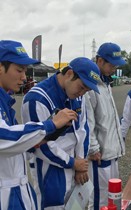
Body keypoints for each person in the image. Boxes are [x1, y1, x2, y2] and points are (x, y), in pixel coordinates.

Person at [0, 40, 76, 210]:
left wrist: (37, 140)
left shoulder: (6, 102)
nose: (23, 77)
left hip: (17, 190)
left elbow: (15, 147)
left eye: (25, 71)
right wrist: (50, 125)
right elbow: (3, 136)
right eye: (19, 70)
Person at [21, 57, 101, 209]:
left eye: (87, 90)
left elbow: (83, 129)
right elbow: (39, 145)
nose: (82, 93)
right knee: (53, 206)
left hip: (74, 162)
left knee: (76, 205)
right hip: (49, 166)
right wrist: (73, 163)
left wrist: (80, 163)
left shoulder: (79, 96)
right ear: (70, 74)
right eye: (82, 87)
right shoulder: (36, 98)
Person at [85, 42, 126, 210]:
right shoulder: (90, 86)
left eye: (116, 65)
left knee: (112, 196)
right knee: (99, 199)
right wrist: (93, 148)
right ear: (99, 61)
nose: (114, 68)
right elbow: (88, 120)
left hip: (112, 151)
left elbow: (109, 118)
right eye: (110, 64)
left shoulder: (106, 84)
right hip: (99, 155)